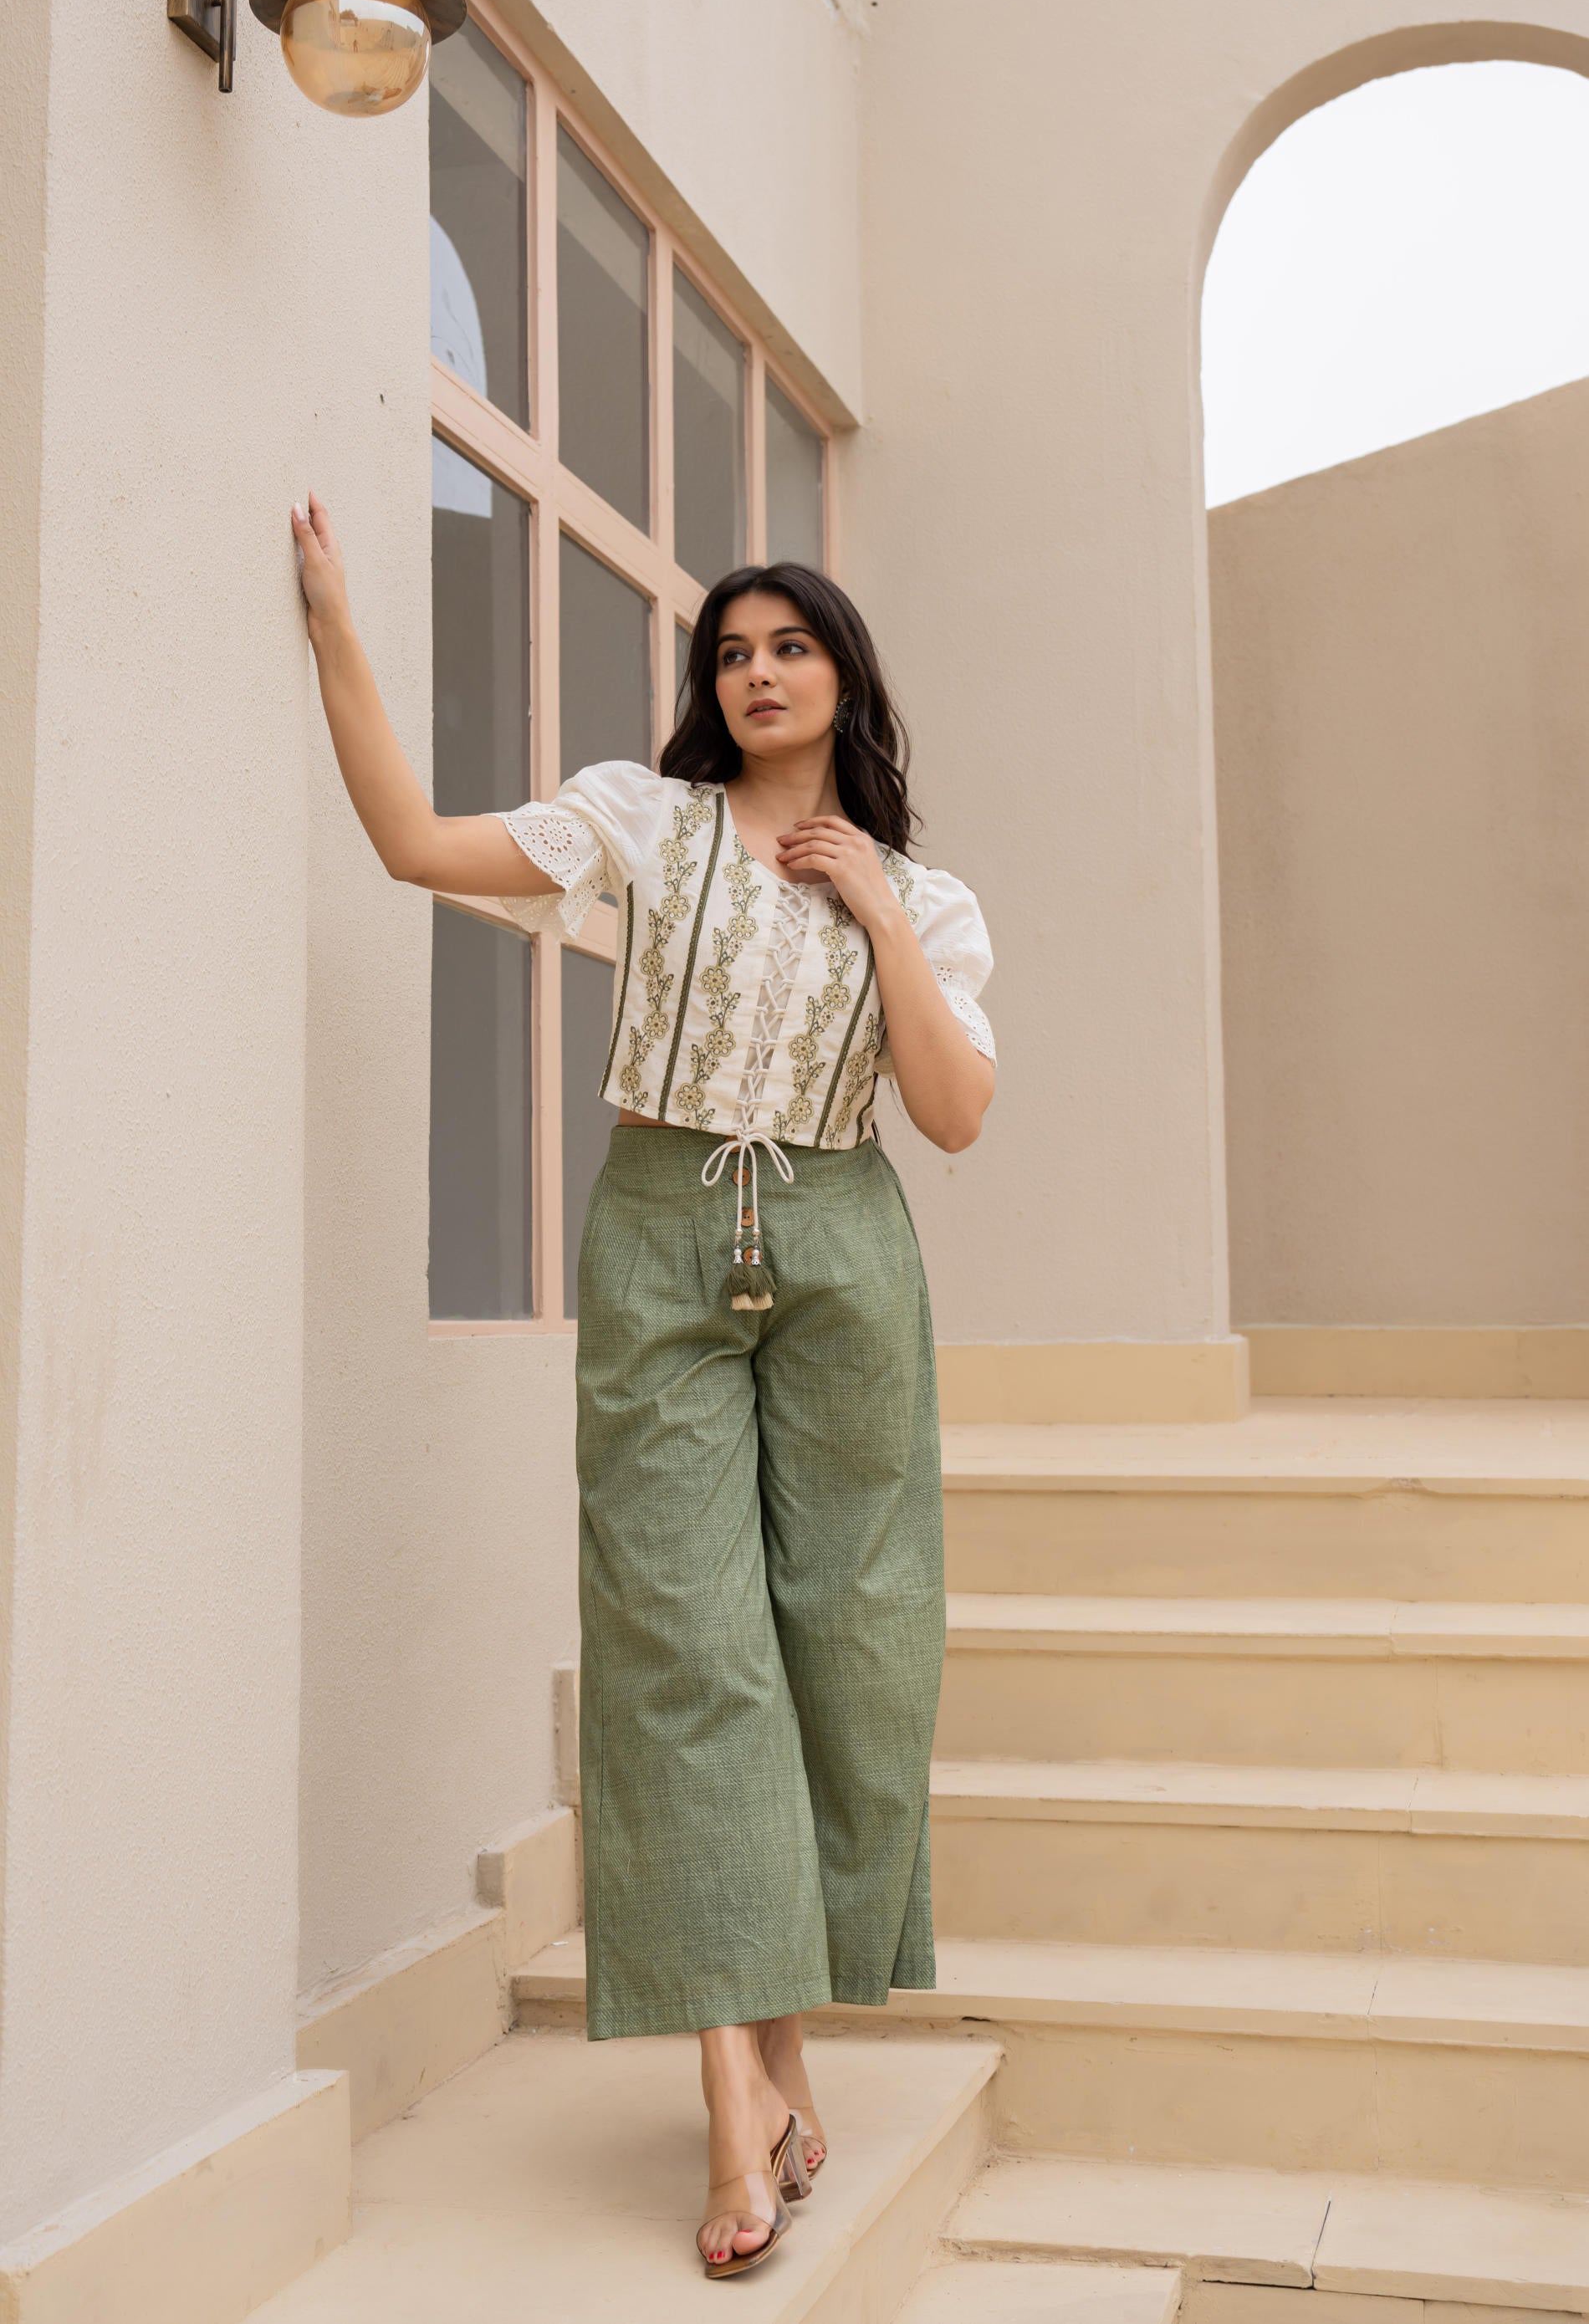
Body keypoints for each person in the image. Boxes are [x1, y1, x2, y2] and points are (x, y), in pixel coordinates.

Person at [290, 492, 996, 2280]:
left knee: (843, 1643)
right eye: (729, 652)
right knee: (686, 1649)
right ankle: (732, 2116)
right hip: (665, 1229)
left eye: (787, 646)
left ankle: (780, 2044)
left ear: (842, 676)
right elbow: (410, 848)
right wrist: (332, 634)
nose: (754, 672)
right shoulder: (642, 822)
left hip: (843, 1246)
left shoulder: (926, 896)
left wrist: (875, 917)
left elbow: (955, 1114)